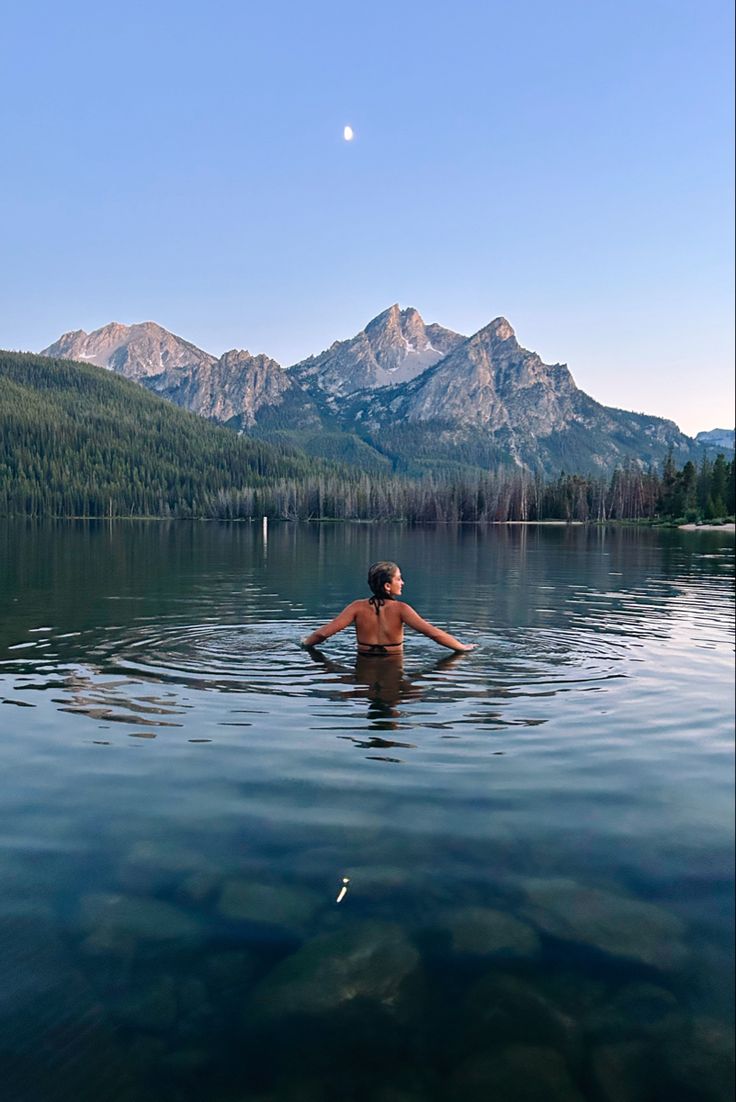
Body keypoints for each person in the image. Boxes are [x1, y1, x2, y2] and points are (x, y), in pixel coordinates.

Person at [300, 561, 475, 654]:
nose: (403, 582)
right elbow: (432, 633)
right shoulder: (402, 609)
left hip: (364, 663)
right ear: (387, 586)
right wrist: (461, 647)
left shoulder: (356, 607)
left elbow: (323, 633)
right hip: (392, 663)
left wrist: (306, 643)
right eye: (399, 579)